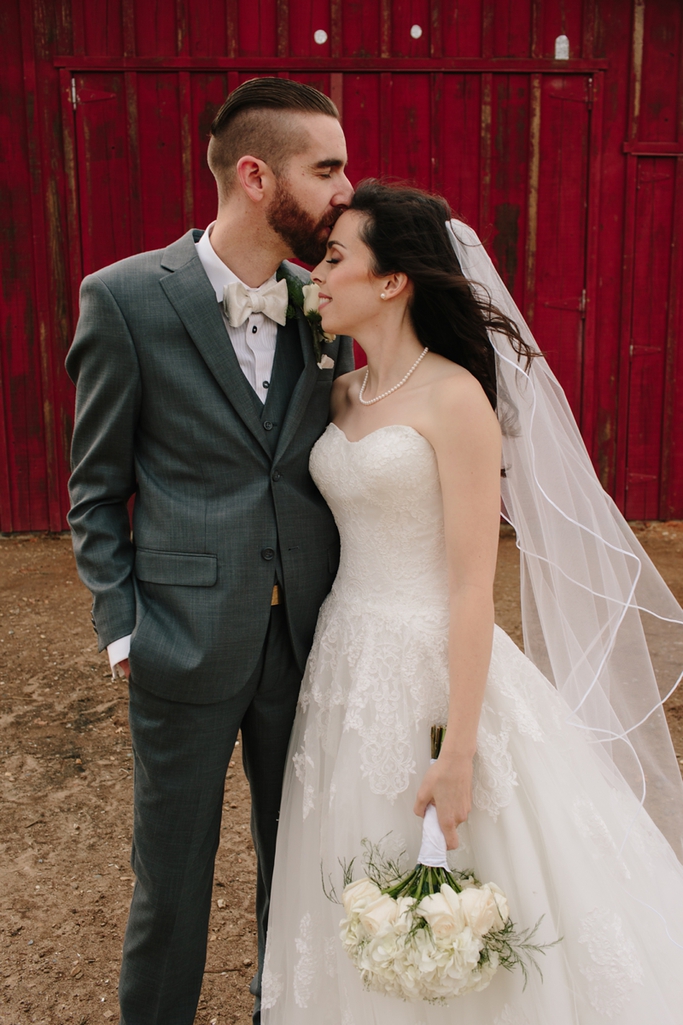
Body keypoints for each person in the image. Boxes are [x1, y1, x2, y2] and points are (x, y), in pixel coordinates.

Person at [261, 181, 683, 1024]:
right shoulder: (339, 392)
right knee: (349, 855)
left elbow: (467, 586)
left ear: (392, 281)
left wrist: (456, 752)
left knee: (476, 869)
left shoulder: (456, 399)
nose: (317, 276)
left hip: (435, 663)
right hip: (343, 663)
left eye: (335, 258)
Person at [66, 77, 353, 1025]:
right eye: (326, 169)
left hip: (307, 642)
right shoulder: (123, 300)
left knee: (302, 869)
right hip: (180, 641)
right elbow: (95, 490)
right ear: (255, 174)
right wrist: (122, 631)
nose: (345, 189)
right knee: (172, 887)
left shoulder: (328, 304)